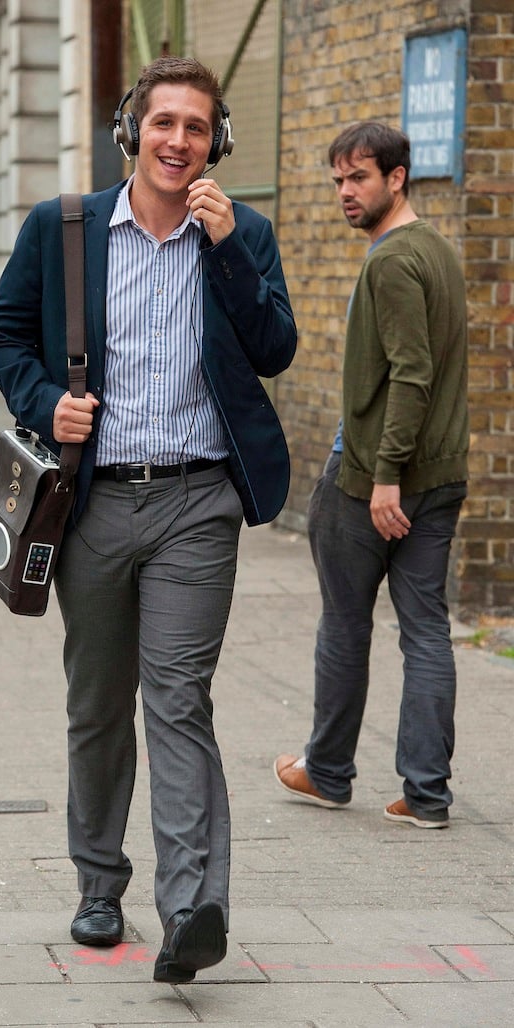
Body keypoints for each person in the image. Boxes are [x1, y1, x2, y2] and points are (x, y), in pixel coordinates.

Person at [0, 55, 296, 983]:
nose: (178, 141)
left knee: (178, 697)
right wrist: (45, 404)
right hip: (93, 504)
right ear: (132, 131)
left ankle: (192, 905)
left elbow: (275, 348)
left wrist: (229, 249)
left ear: (216, 140)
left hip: (198, 501)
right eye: (164, 123)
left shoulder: (242, 232)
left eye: (197, 127)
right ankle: (98, 882)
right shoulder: (64, 229)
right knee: (97, 700)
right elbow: (3, 333)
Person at [274, 121, 468, 830]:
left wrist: (384, 476)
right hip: (442, 473)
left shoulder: (391, 263)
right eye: (338, 180)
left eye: (358, 177)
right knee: (426, 631)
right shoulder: (438, 250)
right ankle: (427, 795)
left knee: (346, 624)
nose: (345, 192)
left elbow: (413, 375)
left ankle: (327, 773)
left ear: (397, 177)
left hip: (372, 480)